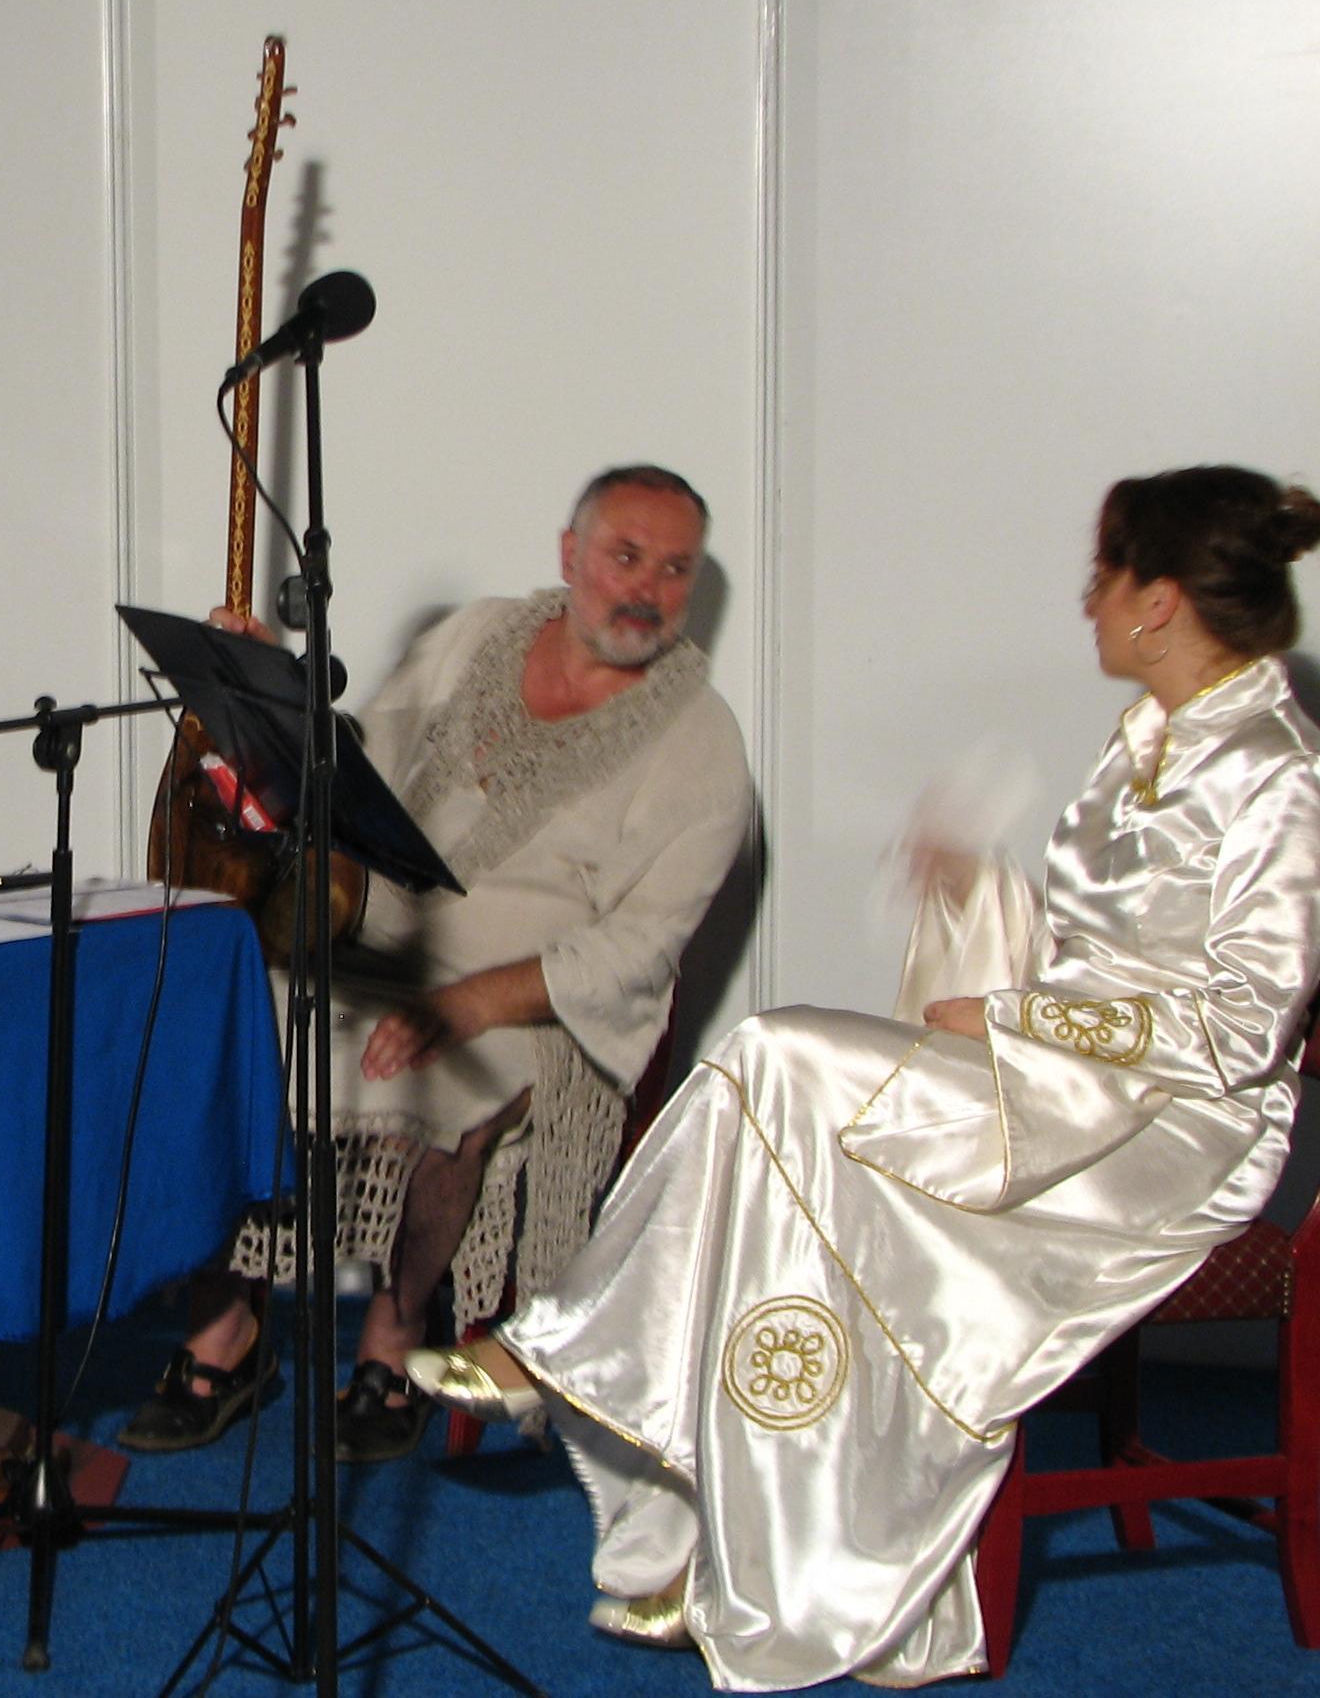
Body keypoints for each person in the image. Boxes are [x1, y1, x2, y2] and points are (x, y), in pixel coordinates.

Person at [417, 464, 1320, 1688]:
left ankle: (568, 1355)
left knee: (777, 1060)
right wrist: (986, 897)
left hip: (1173, 1139)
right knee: (782, 1159)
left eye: (1105, 575)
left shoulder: (1276, 769)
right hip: (1078, 1087)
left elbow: (1245, 1023)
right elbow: (1115, 955)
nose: (1089, 599)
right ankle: (723, 1551)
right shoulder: (1152, 738)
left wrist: (1014, 1018)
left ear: (1160, 600)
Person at [123, 464, 754, 1460]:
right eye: (626, 557)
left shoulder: (704, 743)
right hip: (380, 929)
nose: (647, 589)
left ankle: (397, 1327)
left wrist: (468, 1004)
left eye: (675, 570)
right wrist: (268, 688)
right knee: (231, 1023)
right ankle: (228, 1325)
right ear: (571, 554)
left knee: (450, 1081)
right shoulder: (479, 636)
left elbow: (642, 946)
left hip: (526, 994)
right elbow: (353, 765)